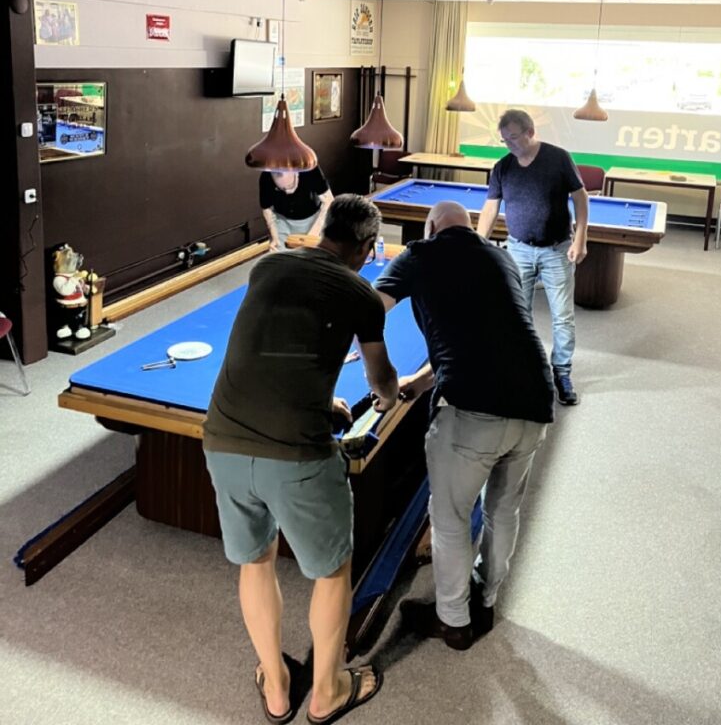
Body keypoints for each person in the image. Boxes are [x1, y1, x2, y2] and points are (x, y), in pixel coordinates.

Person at [203, 194, 399, 724]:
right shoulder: (361, 293)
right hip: (297, 455)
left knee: (255, 561)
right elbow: (381, 377)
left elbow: (279, 345)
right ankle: (327, 692)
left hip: (223, 439)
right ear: (364, 247)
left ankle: (276, 687)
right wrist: (387, 396)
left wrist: (321, 400)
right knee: (332, 572)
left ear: (324, 228)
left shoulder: (268, 267)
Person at [374, 200, 554, 650]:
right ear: (471, 227)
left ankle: (452, 620)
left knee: (450, 516)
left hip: (473, 411)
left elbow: (369, 308)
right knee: (502, 510)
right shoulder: (502, 258)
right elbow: (488, 338)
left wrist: (382, 378)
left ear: (431, 227)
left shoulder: (420, 253)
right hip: (535, 401)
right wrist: (419, 382)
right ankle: (485, 600)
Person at [477, 109, 588, 406]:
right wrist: (478, 244)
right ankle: (522, 369)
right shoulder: (502, 167)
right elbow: (490, 208)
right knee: (518, 314)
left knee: (562, 316)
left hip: (557, 249)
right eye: (504, 140)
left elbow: (580, 198)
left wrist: (580, 238)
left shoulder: (558, 158)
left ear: (530, 132)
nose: (509, 144)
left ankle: (562, 372)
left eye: (513, 138)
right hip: (518, 250)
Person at [259, 167, 333, 250]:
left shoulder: (310, 169)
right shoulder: (266, 176)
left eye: (290, 186)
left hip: (313, 218)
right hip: (283, 220)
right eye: (282, 189)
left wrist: (314, 233)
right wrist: (274, 237)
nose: (287, 192)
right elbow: (266, 209)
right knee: (279, 252)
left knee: (314, 253)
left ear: (297, 173)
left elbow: (329, 201)